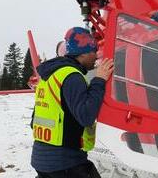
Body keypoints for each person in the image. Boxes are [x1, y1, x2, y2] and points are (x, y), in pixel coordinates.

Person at [31, 27, 114, 178]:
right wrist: (99, 80)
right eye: (93, 51)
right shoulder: (71, 76)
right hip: (64, 163)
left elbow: (35, 120)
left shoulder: (49, 76)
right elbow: (86, 116)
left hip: (42, 159)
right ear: (82, 53)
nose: (96, 56)